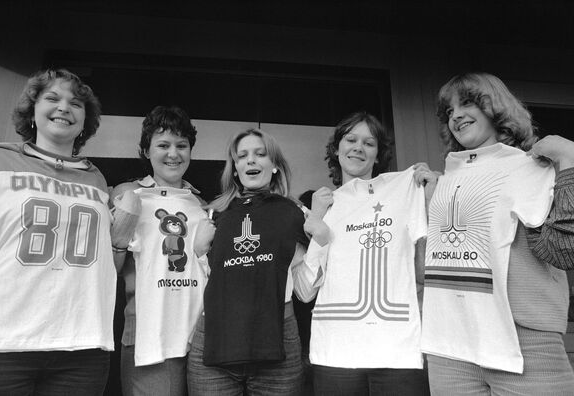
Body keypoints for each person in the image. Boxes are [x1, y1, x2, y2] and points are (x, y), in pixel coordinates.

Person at [418, 72, 574, 395]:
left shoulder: (528, 167)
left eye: (467, 103)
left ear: (495, 107)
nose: (456, 115)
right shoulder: (445, 179)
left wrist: (570, 163)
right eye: (449, 111)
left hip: (523, 344)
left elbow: (561, 250)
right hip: (451, 344)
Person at [0, 69, 116, 395]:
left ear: (86, 120)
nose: (64, 107)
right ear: (32, 110)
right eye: (52, 98)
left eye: (76, 103)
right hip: (0, 342)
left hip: (81, 343)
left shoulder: (95, 178)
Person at [294, 111, 431, 395]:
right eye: (351, 139)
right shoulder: (321, 205)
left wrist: (429, 195)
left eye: (369, 143)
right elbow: (304, 292)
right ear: (336, 148)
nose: (358, 147)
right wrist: (319, 228)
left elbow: (424, 271)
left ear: (379, 154)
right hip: (336, 354)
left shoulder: (405, 192)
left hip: (396, 352)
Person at [186, 128, 308, 396]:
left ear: (274, 165)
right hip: (216, 338)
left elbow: (307, 288)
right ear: (236, 168)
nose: (250, 160)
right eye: (242, 156)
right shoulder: (212, 214)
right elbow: (201, 283)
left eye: (260, 154)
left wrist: (320, 235)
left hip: (276, 338)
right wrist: (197, 250)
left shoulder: (295, 213)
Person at [110, 105, 213, 396]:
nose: (174, 153)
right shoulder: (128, 195)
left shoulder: (201, 205)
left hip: (200, 336)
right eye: (163, 145)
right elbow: (110, 266)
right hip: (149, 336)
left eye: (182, 145)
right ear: (146, 150)